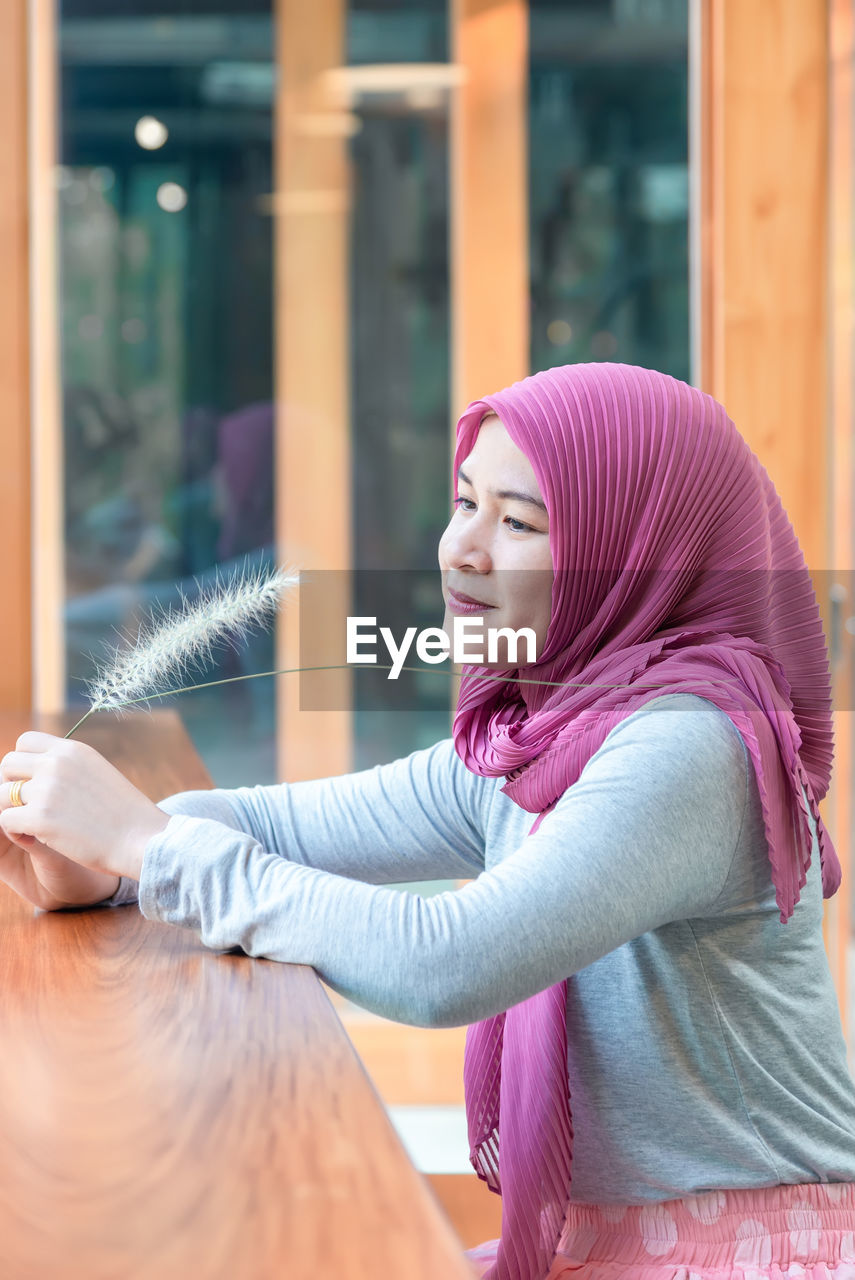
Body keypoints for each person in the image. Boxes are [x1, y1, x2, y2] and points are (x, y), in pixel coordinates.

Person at [2, 362, 855, 1280]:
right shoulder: (539, 732)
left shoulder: (690, 744)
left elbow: (445, 963)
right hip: (607, 1247)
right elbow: (272, 823)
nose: (460, 549)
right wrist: (106, 866)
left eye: (518, 521)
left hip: (760, 1254)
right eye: (464, 503)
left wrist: (150, 846)